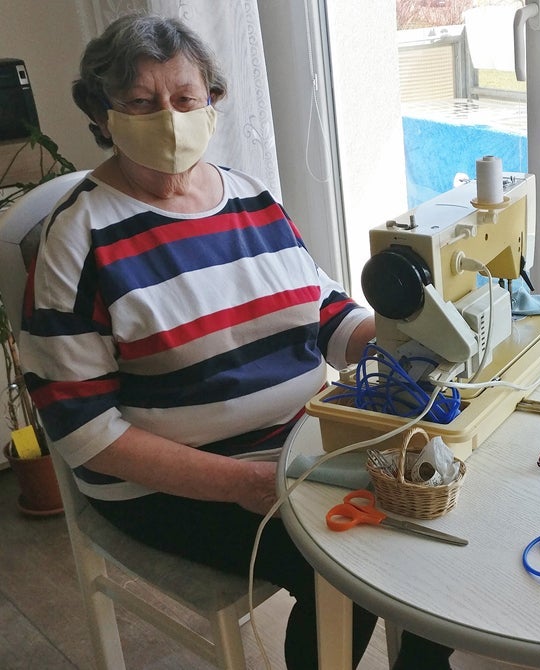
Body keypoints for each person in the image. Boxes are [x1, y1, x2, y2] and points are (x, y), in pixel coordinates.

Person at [19, 13, 453, 670]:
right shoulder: (77, 241)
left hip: (301, 446)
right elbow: (85, 434)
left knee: (434, 511)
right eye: (140, 103)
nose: (167, 118)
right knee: (348, 569)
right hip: (171, 485)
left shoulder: (251, 199)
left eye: (185, 99)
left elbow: (328, 318)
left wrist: (414, 342)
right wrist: (236, 484)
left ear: (212, 102)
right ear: (102, 115)